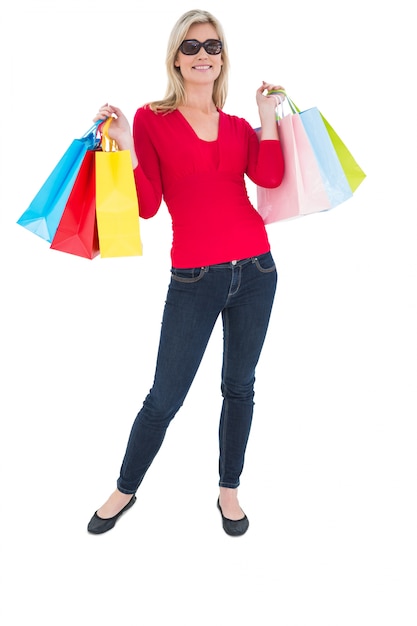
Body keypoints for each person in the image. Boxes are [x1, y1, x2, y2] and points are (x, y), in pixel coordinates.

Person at [87, 8, 285, 537]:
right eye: (192, 46)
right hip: (195, 279)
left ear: (223, 59)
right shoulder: (152, 118)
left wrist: (267, 116)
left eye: (212, 46)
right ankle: (125, 488)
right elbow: (148, 206)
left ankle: (229, 490)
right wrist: (126, 143)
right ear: (176, 56)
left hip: (258, 270)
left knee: (239, 386)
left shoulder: (241, 126)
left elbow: (268, 175)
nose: (203, 55)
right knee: (164, 397)